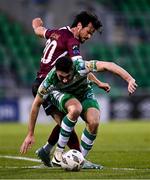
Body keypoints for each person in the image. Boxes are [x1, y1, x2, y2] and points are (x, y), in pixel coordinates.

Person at [20, 56, 137, 169]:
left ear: (73, 69)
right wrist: (30, 134)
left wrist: (129, 79)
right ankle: (58, 153)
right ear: (56, 72)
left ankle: (80, 159)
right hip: (62, 94)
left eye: (68, 76)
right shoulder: (49, 81)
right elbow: (36, 105)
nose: (65, 79)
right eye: (61, 76)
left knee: (94, 122)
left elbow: (108, 65)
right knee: (75, 109)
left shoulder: (80, 65)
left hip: (84, 93)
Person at [31, 11, 110, 168]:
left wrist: (36, 23)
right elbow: (80, 68)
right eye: (89, 32)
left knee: (66, 121)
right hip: (51, 85)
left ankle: (46, 150)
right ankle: (79, 158)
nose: (88, 37)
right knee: (69, 118)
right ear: (79, 25)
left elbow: (39, 30)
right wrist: (97, 81)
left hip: (46, 82)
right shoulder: (72, 41)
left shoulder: (57, 32)